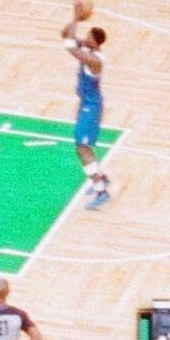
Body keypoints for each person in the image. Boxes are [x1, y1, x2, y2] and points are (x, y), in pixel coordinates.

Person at [67, 17, 110, 206]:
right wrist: (73, 23)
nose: (85, 38)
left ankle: (101, 191)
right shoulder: (89, 50)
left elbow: (69, 46)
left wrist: (76, 17)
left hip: (91, 107)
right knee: (85, 146)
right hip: (87, 103)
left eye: (88, 36)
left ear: (95, 41)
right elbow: (65, 36)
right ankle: (101, 177)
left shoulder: (94, 60)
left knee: (81, 148)